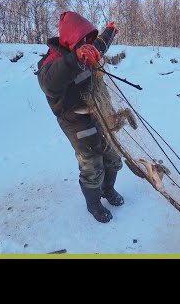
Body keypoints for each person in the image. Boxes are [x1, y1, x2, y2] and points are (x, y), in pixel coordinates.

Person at [37, 11, 123, 223]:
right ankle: (93, 204)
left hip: (99, 114)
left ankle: (108, 189)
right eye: (83, 40)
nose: (88, 44)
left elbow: (100, 45)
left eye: (89, 39)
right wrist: (75, 58)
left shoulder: (88, 49)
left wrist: (109, 31)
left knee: (113, 158)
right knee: (92, 164)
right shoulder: (52, 62)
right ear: (72, 39)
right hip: (76, 122)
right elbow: (49, 83)